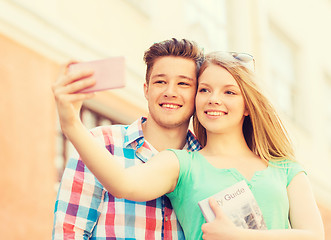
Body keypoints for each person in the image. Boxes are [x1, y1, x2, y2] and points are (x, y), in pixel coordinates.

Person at [54, 51, 325, 240]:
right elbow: (124, 184)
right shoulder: (182, 163)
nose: (213, 99)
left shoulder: (285, 168)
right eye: (205, 90)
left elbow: (314, 236)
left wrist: (239, 237)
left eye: (229, 92)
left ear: (247, 107)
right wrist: (72, 126)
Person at [52, 38, 205, 239]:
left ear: (197, 94)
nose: (170, 92)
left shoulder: (206, 161)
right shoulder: (100, 144)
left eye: (183, 84)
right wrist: (71, 122)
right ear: (146, 89)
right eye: (160, 82)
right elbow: (70, 233)